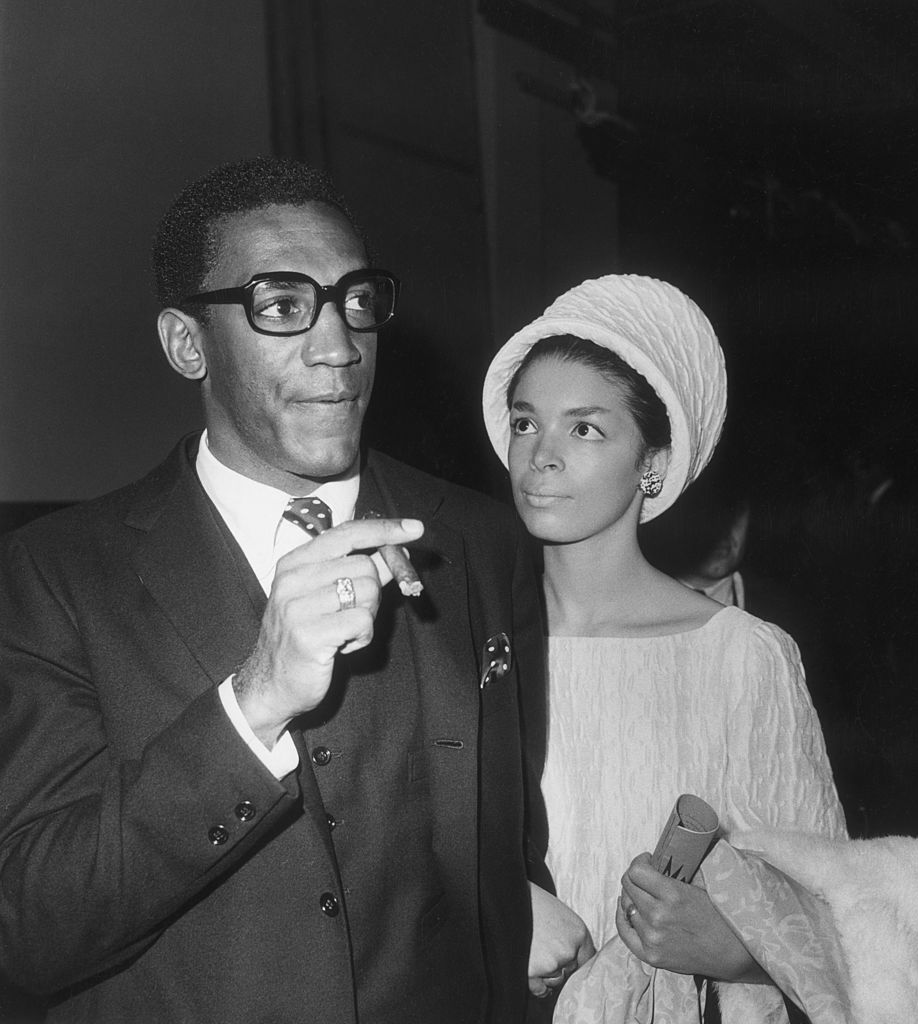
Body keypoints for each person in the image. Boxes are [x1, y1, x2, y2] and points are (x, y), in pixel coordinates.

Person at [0, 156, 577, 1024]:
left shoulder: (478, 541)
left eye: (354, 300)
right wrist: (253, 702)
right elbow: (32, 932)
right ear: (186, 344)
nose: (338, 345)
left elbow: (503, 843)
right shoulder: (56, 575)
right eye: (279, 306)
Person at [481, 275, 847, 1019]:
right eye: (526, 424)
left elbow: (840, 915)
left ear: (652, 462)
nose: (541, 456)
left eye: (584, 428)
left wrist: (734, 948)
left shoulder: (742, 658)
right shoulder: (463, 636)